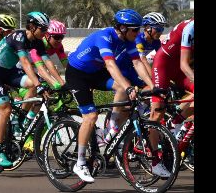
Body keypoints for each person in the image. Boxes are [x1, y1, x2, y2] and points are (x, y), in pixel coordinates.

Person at [64, 9, 156, 182]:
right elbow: (111, 65)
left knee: (122, 88)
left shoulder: (128, 40)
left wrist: (153, 87)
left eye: (139, 30)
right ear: (122, 28)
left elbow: (137, 62)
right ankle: (80, 162)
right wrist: (129, 87)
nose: (138, 33)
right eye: (135, 30)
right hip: (77, 74)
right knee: (90, 116)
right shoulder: (104, 37)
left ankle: (110, 129)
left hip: (96, 73)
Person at [0, 11, 62, 168]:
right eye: (43, 29)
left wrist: (59, 83)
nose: (45, 33)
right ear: (32, 27)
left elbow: (47, 63)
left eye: (47, 29)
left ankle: (22, 119)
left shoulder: (38, 41)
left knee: (37, 86)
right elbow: (26, 63)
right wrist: (39, 85)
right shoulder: (18, 37)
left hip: (9, 72)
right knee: (5, 110)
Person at [148, 18, 194, 170]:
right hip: (164, 64)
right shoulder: (190, 28)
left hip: (180, 66)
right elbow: (184, 65)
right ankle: (154, 160)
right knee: (156, 113)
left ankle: (175, 122)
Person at [135, 12, 166, 78]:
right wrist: (154, 79)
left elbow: (162, 58)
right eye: (158, 29)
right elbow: (143, 60)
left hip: (140, 63)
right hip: (131, 65)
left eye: (162, 29)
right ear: (148, 28)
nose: (160, 32)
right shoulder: (138, 39)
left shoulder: (156, 41)